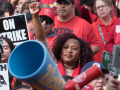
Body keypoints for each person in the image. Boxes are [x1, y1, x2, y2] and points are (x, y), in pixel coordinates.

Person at [29, 1, 94, 78]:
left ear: (80, 54)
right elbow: (41, 38)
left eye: (74, 48)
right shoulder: (53, 63)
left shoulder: (87, 72)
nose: (69, 50)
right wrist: (35, 16)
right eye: (66, 47)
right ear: (60, 51)